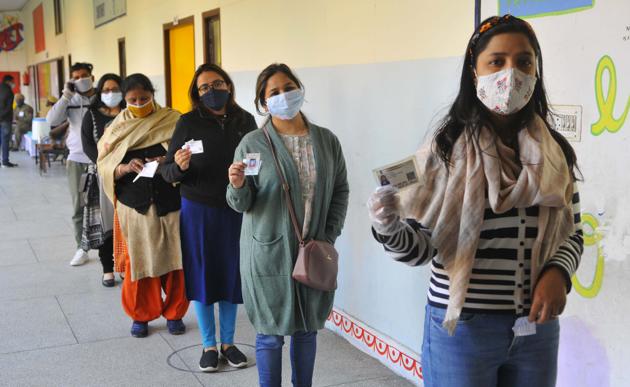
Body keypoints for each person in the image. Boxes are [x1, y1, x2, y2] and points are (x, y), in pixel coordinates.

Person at [367, 15, 583, 387]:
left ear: (536, 71)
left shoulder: (555, 153)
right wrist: (388, 227)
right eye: (496, 61)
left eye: (524, 62)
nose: (511, 74)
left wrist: (558, 274)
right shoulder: (445, 151)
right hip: (462, 330)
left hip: (537, 328)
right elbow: (421, 249)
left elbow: (573, 234)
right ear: (475, 73)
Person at [227, 63, 349, 387]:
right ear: (264, 104)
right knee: (269, 333)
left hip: (313, 249)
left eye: (289, 87)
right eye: (274, 92)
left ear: (300, 89)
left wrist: (329, 234)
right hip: (267, 253)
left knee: (307, 329)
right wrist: (237, 185)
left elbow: (340, 190)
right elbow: (242, 204)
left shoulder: (326, 141)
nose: (284, 96)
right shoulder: (253, 144)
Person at [162, 64, 257, 372]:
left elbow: (258, 164)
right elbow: (167, 171)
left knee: (231, 274)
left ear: (228, 85)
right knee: (203, 275)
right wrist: (179, 166)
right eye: (204, 87)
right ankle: (208, 345)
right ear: (197, 93)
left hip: (235, 208)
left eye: (217, 83)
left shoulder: (246, 120)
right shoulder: (188, 123)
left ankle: (228, 344)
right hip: (198, 210)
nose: (212, 91)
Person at [97, 73, 189, 338]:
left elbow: (188, 156)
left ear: (153, 95)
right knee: (140, 261)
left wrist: (167, 160)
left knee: (175, 262)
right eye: (133, 100)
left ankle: (175, 312)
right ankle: (141, 314)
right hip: (133, 205)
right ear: (125, 100)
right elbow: (103, 164)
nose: (139, 103)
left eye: (144, 98)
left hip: (171, 201)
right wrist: (124, 166)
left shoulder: (173, 120)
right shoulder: (115, 128)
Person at [47, 62, 98, 266]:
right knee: (79, 207)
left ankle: (111, 249)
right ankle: (81, 248)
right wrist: (66, 96)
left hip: (102, 159)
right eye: (75, 77)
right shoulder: (71, 99)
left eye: (84, 75)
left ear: (92, 77)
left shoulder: (101, 98)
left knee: (107, 206)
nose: (80, 79)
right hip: (77, 159)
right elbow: (52, 119)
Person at [81, 73, 125, 287]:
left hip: (127, 175)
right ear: (99, 92)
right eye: (106, 90)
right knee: (104, 224)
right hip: (101, 175)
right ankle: (107, 267)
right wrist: (106, 164)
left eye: (115, 89)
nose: (111, 93)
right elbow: (88, 144)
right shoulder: (91, 115)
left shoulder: (129, 112)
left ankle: (125, 264)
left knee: (126, 222)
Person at [0, 75, 17, 167]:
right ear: (8, 81)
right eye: (12, 81)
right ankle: (5, 161)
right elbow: (8, 108)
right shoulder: (9, 92)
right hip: (5, 120)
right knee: (5, 141)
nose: (13, 83)